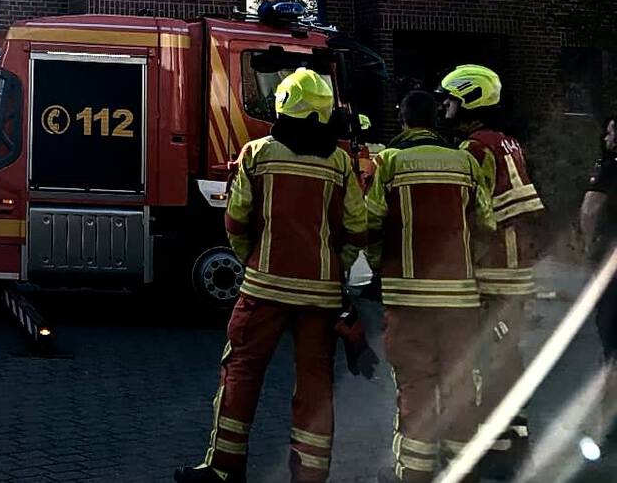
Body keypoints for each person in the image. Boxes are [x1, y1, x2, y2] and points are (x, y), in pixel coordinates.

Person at [176, 68, 367, 483]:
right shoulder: (339, 163)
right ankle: (311, 476)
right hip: (320, 295)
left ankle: (225, 470)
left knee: (242, 372)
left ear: (283, 106)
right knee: (315, 384)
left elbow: (236, 221)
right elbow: (357, 226)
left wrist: (253, 262)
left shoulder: (258, 153)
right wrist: (336, 268)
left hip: (263, 288)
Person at [366, 89, 495, 483]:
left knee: (416, 388)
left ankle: (415, 474)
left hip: (407, 300)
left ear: (403, 120)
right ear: (436, 121)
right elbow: (486, 224)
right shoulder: (465, 163)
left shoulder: (388, 162)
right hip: (459, 299)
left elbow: (369, 223)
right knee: (459, 385)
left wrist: (379, 269)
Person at [442, 65, 545, 477]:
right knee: (508, 353)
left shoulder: (474, 150)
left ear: (469, 99)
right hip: (517, 267)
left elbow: (471, 214)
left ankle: (496, 445)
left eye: (450, 99)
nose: (445, 107)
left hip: (493, 269)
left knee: (486, 358)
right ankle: (514, 436)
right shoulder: (506, 143)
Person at [579, 115, 617, 477]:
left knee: (613, 351)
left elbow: (590, 210)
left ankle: (611, 430)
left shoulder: (611, 168)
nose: (606, 136)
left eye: (610, 130)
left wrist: (590, 250)